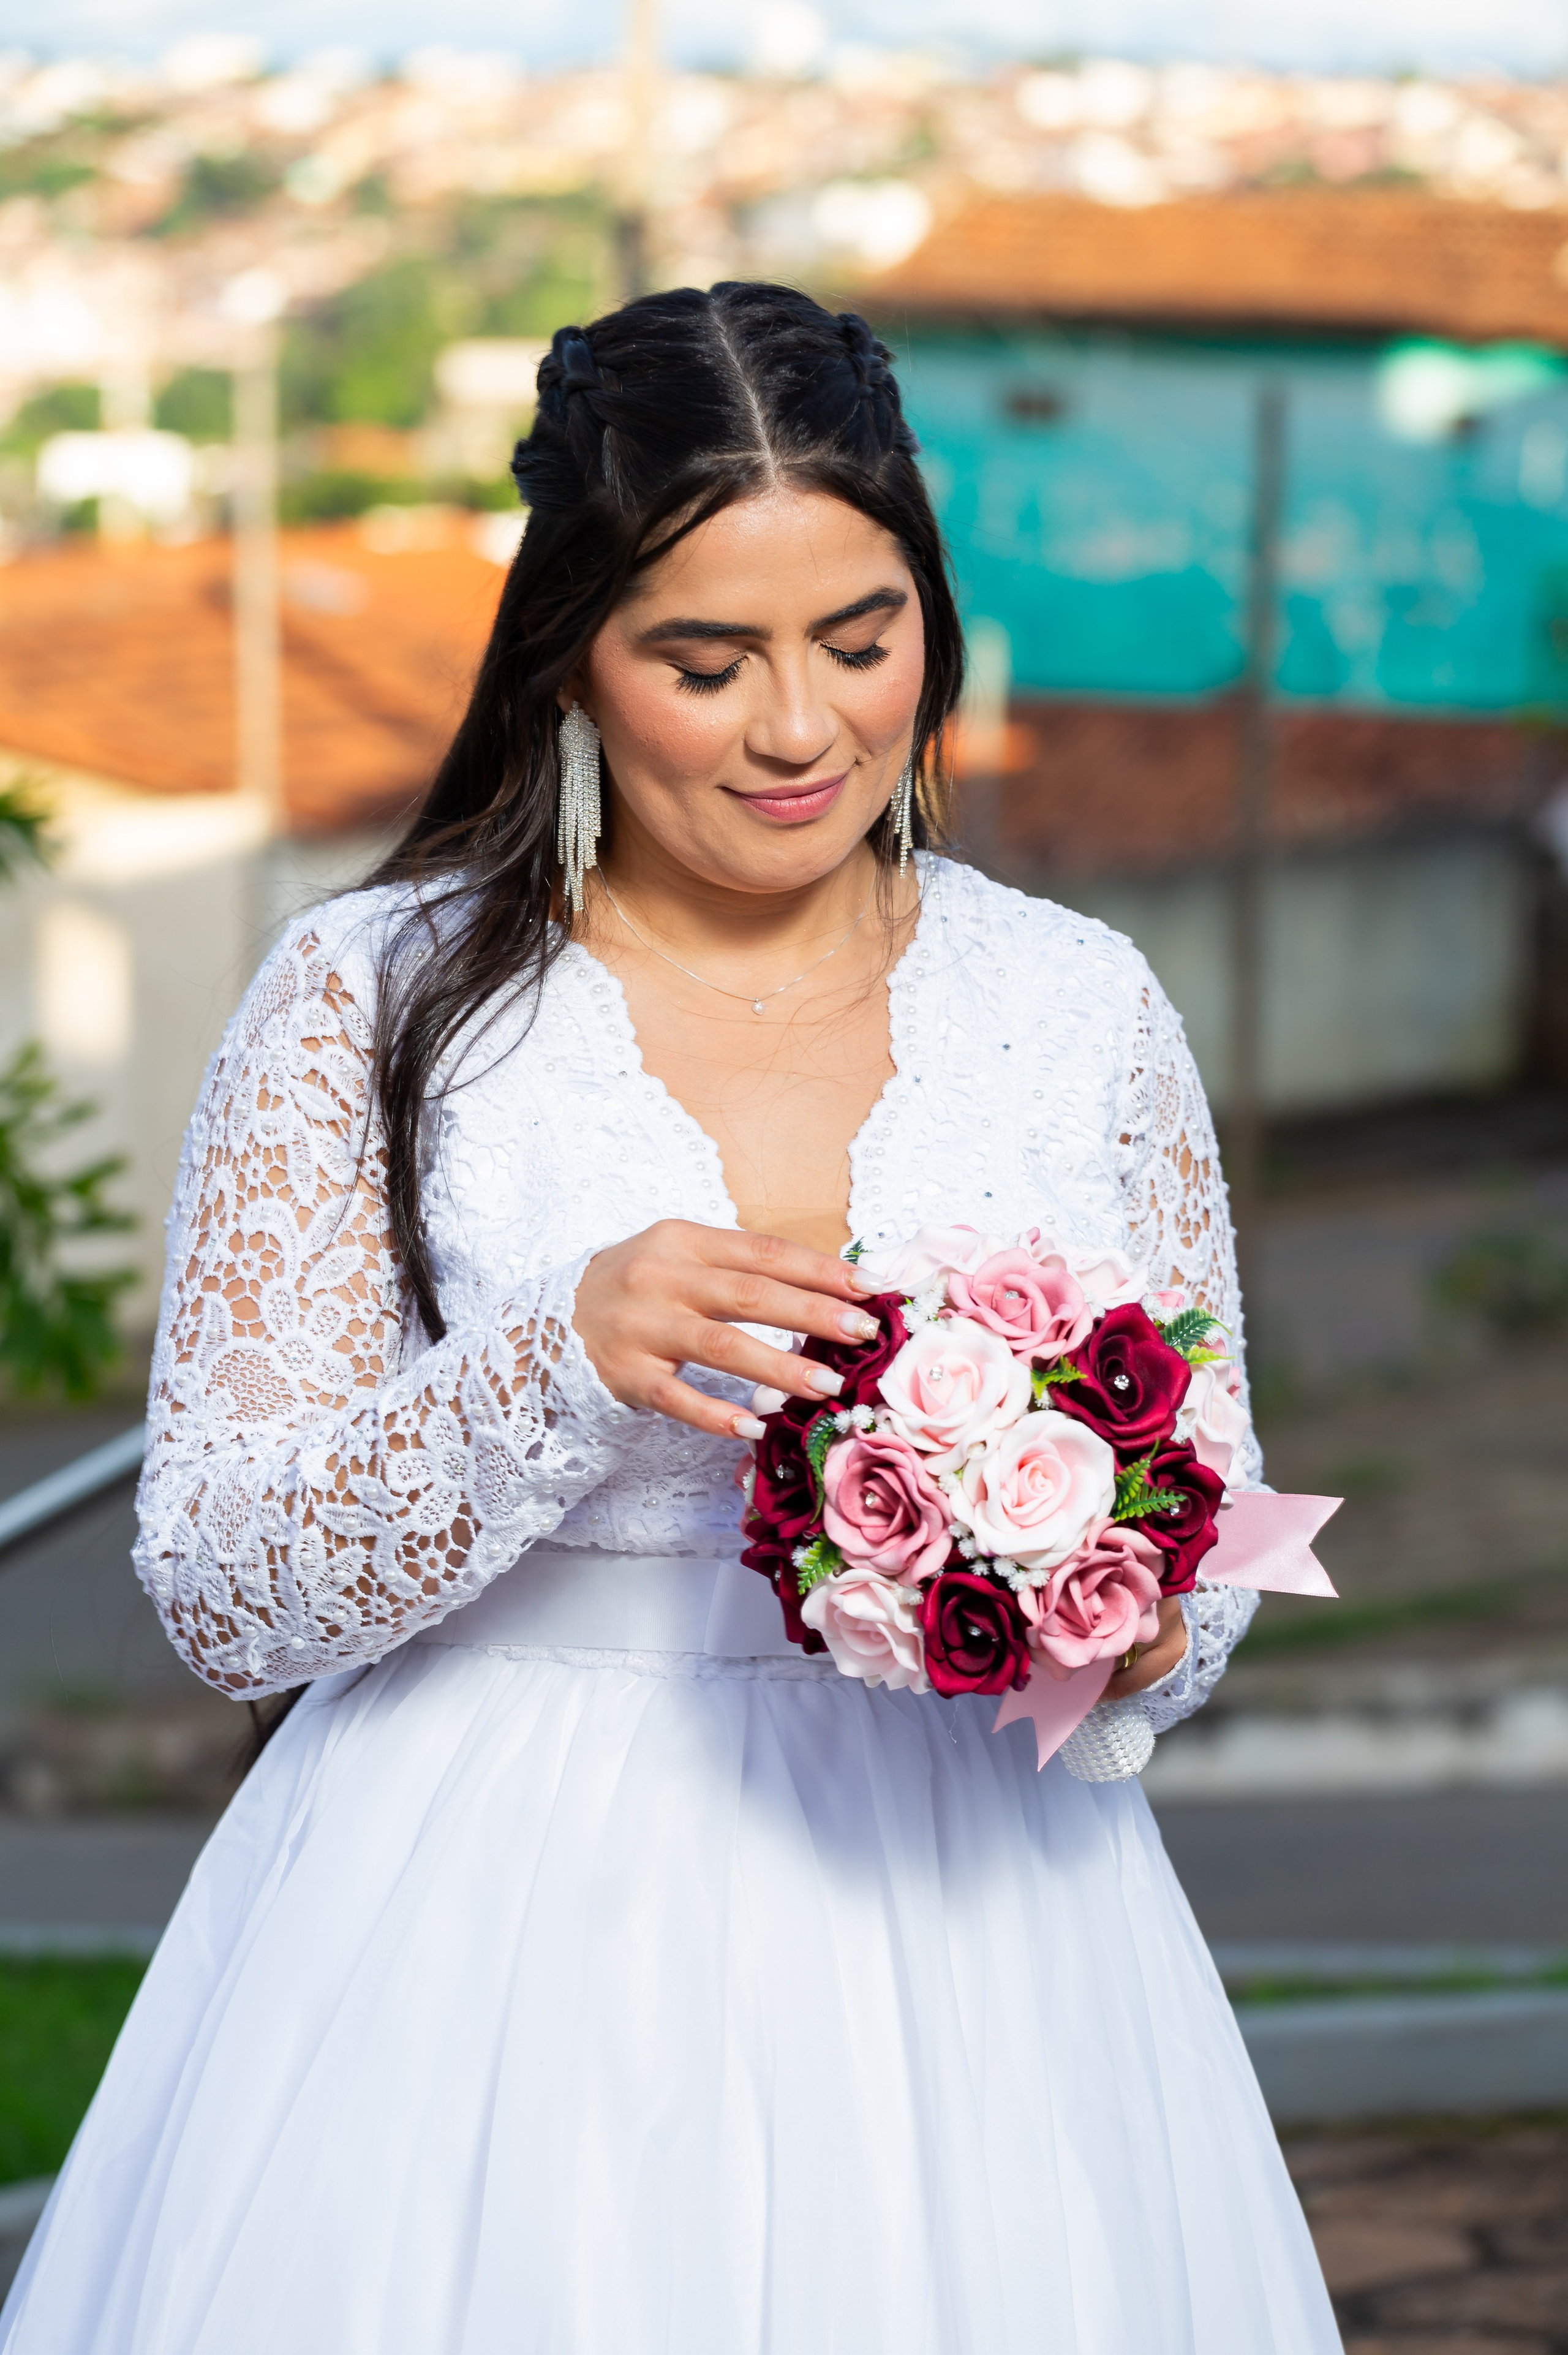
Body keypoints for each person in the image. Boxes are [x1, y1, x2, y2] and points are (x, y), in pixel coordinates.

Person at [0, 283, 1341, 2354]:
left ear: (931, 623)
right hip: (476, 1921)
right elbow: (220, 1581)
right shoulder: (370, 993)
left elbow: (1223, 1502)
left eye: (861, 640)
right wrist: (553, 1358)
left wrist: (1133, 1607)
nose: (800, 727)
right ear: (573, 663)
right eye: (704, 662)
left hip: (977, 1928)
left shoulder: (1079, 1001)